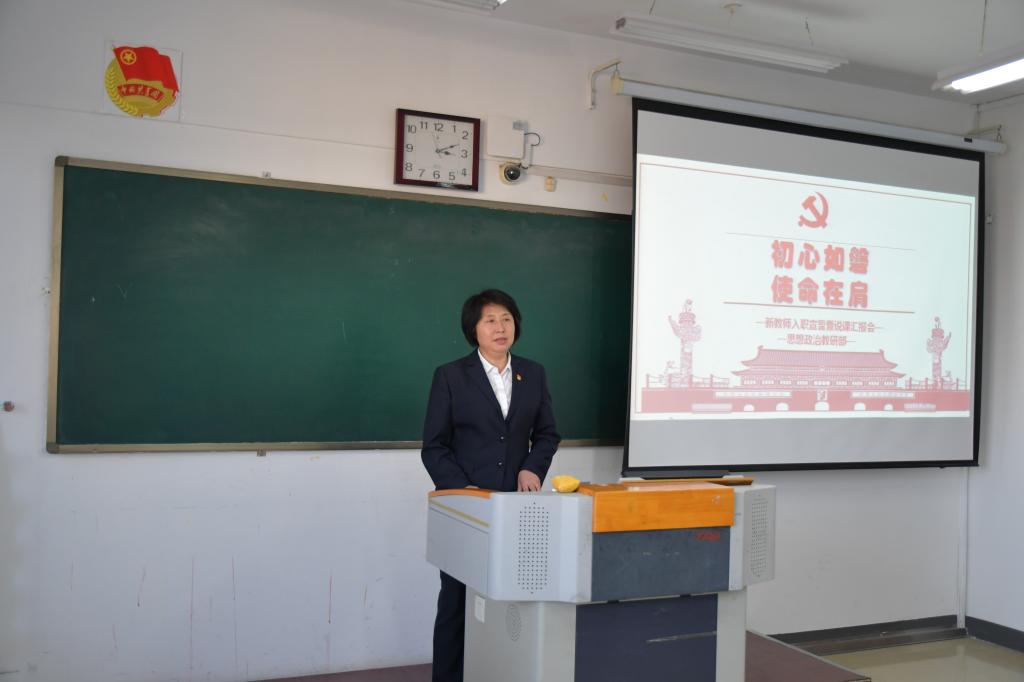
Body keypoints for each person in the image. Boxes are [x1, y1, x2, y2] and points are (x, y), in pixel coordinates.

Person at [421, 288, 560, 682]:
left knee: (510, 601)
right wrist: (464, 494)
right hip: (466, 509)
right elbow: (434, 447)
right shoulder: (450, 376)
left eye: (506, 319)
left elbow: (547, 434)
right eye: (490, 320)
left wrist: (532, 468)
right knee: (457, 601)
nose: (500, 327)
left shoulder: (533, 373)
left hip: (516, 508)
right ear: (474, 329)